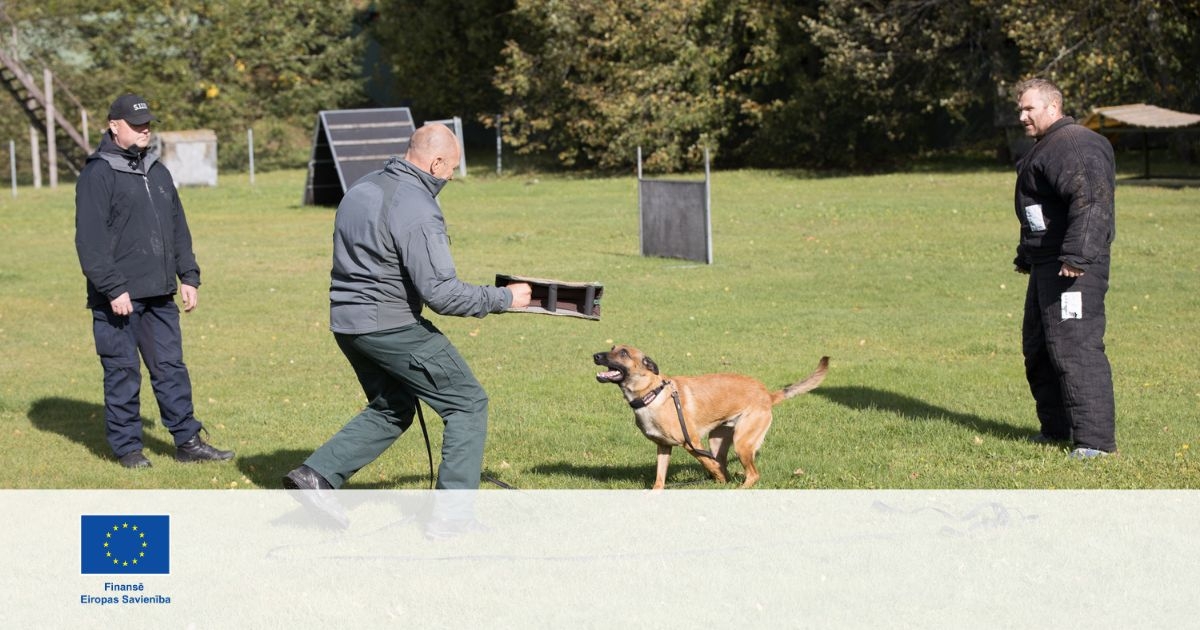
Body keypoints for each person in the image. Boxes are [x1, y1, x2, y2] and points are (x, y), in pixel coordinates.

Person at [284, 123, 532, 491]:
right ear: (435, 164)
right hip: (390, 325)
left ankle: (315, 476)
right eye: (450, 169)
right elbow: (443, 294)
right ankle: (453, 518)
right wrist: (505, 298)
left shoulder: (362, 186)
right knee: (467, 403)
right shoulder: (417, 207)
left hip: (347, 323)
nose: (450, 177)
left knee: (393, 405)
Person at [74, 93, 234, 468]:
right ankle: (128, 448)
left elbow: (177, 227)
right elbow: (90, 241)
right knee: (122, 373)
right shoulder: (98, 174)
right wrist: (113, 287)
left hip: (160, 294)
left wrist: (188, 276)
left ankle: (188, 442)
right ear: (114, 126)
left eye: (147, 123)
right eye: (136, 123)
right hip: (119, 298)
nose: (145, 129)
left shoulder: (158, 171)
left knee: (171, 369)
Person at [1012, 78, 1117, 459]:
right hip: (1047, 265)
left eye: (1029, 108)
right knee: (1040, 348)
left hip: (1073, 267)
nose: (1022, 116)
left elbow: (1091, 202)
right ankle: (1057, 429)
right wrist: (1028, 254)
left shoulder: (1076, 144)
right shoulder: (1047, 147)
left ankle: (1095, 444)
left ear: (1052, 106)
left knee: (1076, 348)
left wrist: (1076, 256)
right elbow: (1041, 213)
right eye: (1020, 109)